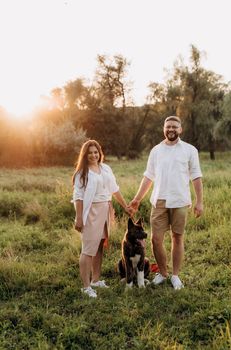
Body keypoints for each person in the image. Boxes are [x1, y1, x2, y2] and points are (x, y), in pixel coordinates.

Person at [129, 116, 203, 290]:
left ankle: (175, 276)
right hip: (159, 200)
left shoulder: (190, 150)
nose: (171, 129)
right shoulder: (156, 150)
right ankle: (162, 273)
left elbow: (196, 177)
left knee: (177, 237)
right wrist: (137, 198)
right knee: (155, 239)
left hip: (180, 200)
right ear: (164, 128)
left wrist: (200, 201)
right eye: (168, 126)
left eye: (175, 127)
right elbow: (148, 176)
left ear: (180, 129)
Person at [72, 140, 132, 298]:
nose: (93, 155)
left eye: (96, 152)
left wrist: (125, 207)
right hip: (91, 212)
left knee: (99, 246)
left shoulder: (105, 168)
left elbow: (115, 189)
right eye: (90, 152)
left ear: (100, 153)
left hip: (105, 209)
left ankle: (95, 280)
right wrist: (79, 218)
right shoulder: (82, 173)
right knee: (88, 249)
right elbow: (78, 197)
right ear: (85, 155)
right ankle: (86, 287)